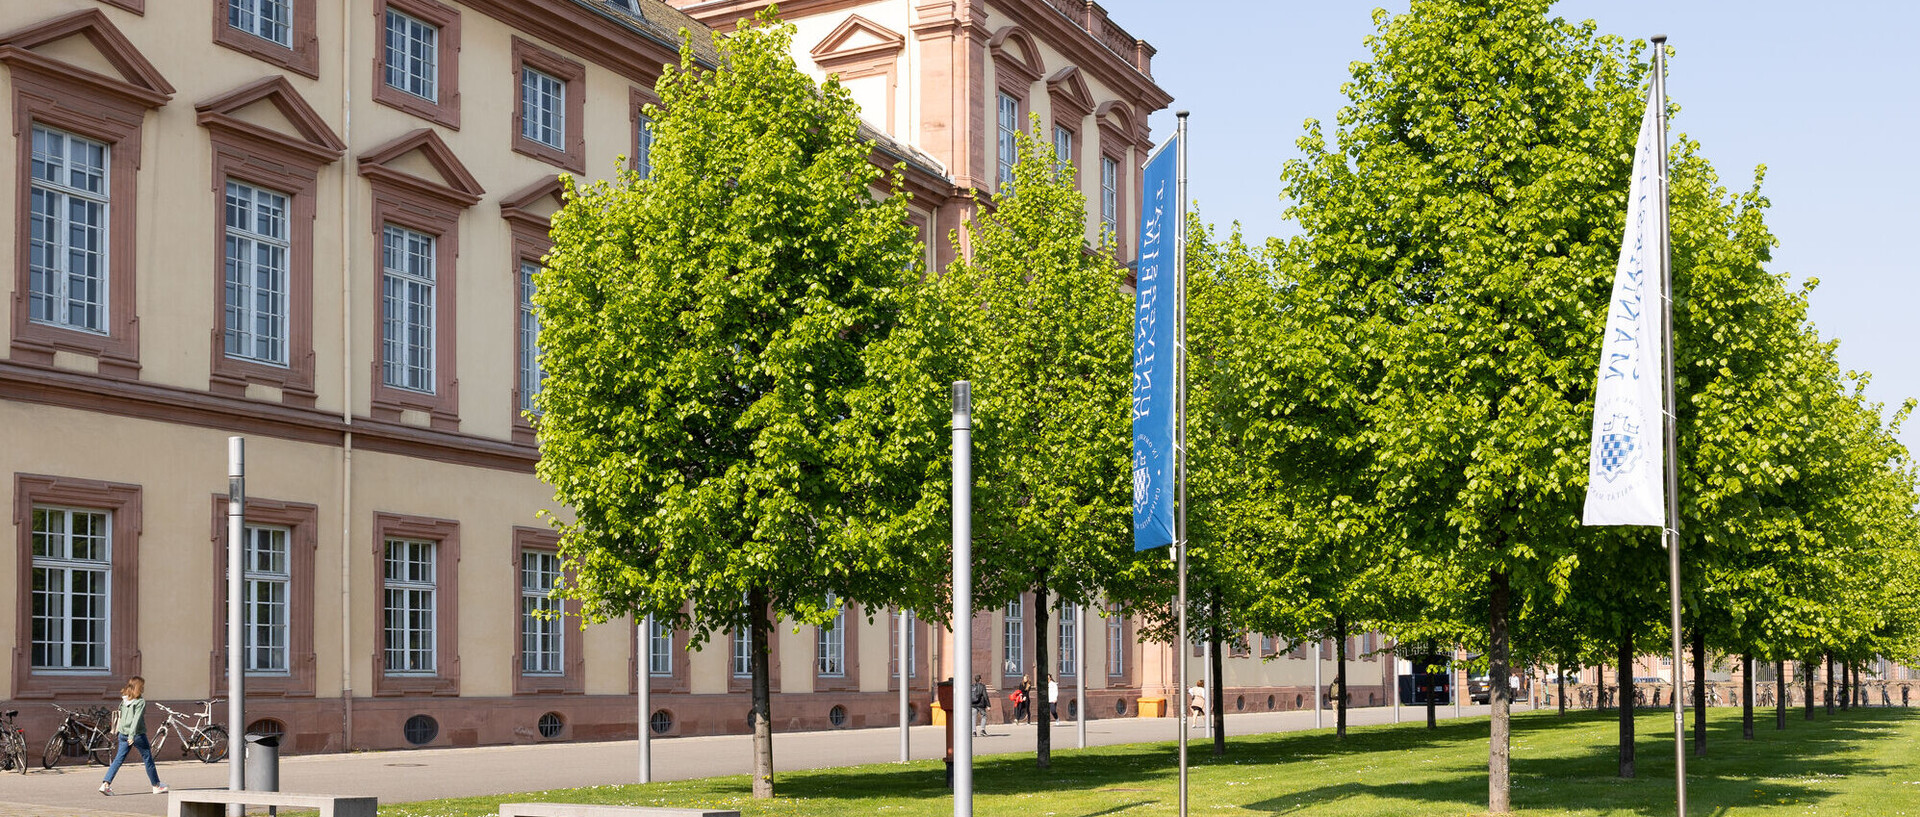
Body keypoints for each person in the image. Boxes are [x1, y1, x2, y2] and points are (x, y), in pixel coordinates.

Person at [100, 676, 165, 796]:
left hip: (122, 734)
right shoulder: (140, 702)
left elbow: (121, 715)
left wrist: (122, 732)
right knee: (148, 759)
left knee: (118, 759)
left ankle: (105, 784)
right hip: (136, 734)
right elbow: (136, 719)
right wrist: (131, 735)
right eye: (143, 686)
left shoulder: (124, 700)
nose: (144, 688)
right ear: (139, 687)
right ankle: (156, 786)